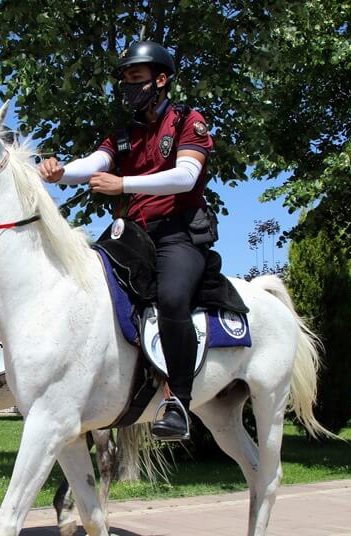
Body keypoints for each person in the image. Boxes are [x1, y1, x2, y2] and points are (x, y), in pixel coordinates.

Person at [39, 40, 216, 441]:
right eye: (125, 81)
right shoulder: (123, 135)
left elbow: (186, 176)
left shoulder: (189, 121)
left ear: (161, 79)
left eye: (136, 79)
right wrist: (60, 170)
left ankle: (179, 403)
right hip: (133, 236)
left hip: (179, 235)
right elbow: (92, 165)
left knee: (171, 298)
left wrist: (123, 184)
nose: (128, 88)